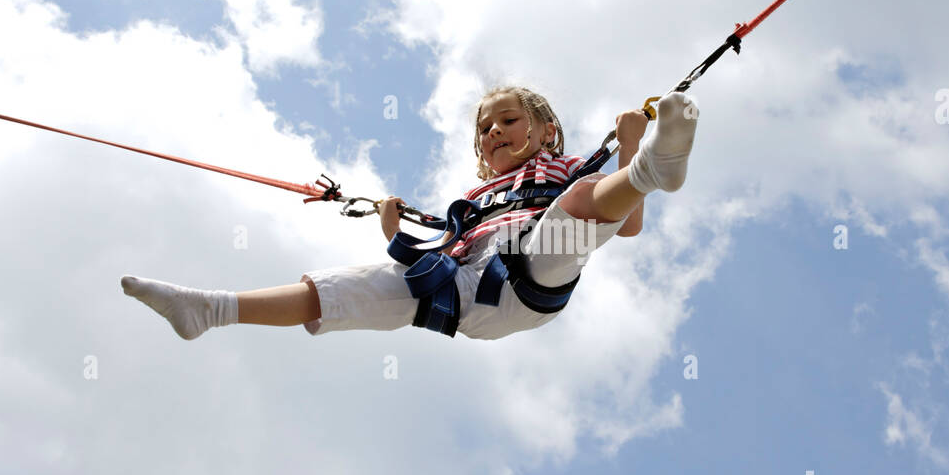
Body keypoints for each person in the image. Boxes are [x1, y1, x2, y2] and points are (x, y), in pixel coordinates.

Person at [121, 86, 698, 341]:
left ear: (546, 130)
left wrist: (627, 148)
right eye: (485, 129)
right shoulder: (472, 204)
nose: (494, 131)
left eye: (509, 120)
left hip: (527, 282)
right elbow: (428, 253)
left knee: (576, 204)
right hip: (458, 292)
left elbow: (627, 226)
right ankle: (211, 310)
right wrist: (395, 229)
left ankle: (652, 167)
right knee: (351, 287)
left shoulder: (566, 168)